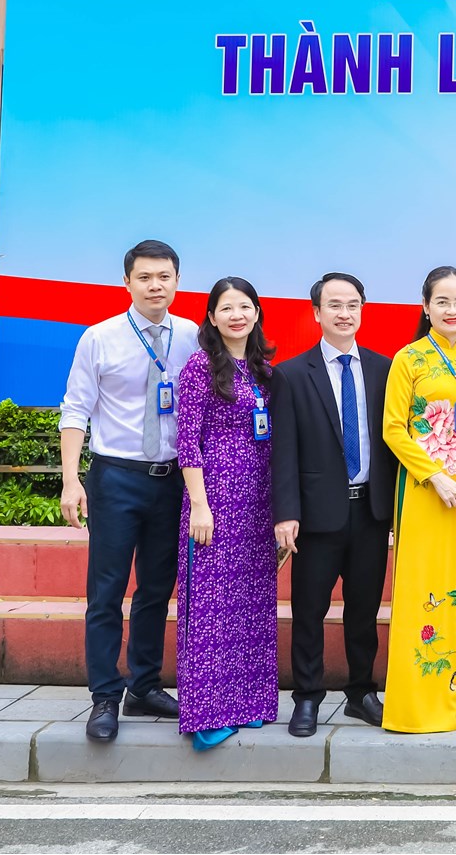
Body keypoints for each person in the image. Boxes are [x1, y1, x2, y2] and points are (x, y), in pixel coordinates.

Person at [59, 239, 199, 742]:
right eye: (144, 277)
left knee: (156, 589)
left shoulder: (193, 337)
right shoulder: (99, 338)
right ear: (127, 282)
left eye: (164, 277)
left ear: (177, 281)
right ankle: (104, 696)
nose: (155, 285)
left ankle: (144, 685)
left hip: (172, 480)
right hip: (116, 478)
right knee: (107, 591)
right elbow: (75, 409)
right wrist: (71, 480)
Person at [270, 272, 395, 738]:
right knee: (309, 610)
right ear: (317, 313)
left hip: (370, 512)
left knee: (364, 609)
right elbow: (283, 450)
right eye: (335, 305)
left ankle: (361, 693)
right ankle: (307, 698)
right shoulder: (291, 374)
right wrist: (286, 513)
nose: (345, 314)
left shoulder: (384, 370)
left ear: (362, 310)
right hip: (316, 516)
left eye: (353, 305)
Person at [379, 266, 456, 733]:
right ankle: (418, 706)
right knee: (423, 589)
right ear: (426, 307)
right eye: (442, 302)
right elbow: (393, 429)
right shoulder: (408, 359)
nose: (453, 310)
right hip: (426, 495)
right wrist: (434, 476)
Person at [173, 277, 282, 750]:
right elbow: (187, 441)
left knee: (251, 603)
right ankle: (208, 712)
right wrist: (199, 505)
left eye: (245, 307)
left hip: (257, 501)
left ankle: (247, 703)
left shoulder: (264, 371)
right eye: (226, 308)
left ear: (256, 313)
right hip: (214, 500)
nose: (237, 315)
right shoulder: (200, 366)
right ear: (212, 318)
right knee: (210, 606)